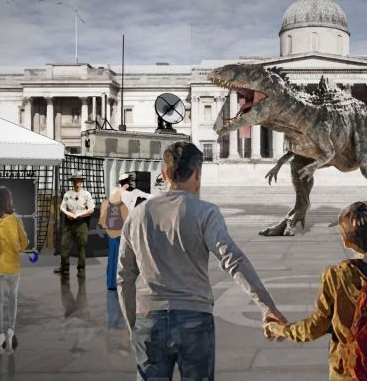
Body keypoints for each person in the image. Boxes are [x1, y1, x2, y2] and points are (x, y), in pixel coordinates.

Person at [117, 141, 284, 381]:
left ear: (164, 174)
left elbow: (124, 276)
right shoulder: (206, 212)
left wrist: (134, 325)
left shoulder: (138, 215)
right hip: (194, 317)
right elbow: (233, 261)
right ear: (198, 173)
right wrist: (268, 307)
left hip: (149, 317)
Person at [265, 201, 367, 381]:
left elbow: (314, 328)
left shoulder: (336, 276)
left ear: (346, 241)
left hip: (349, 373)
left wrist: (279, 329)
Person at [0, 185, 29, 354]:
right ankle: (11, 330)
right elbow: (25, 241)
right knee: (13, 298)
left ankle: (0, 334)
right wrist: (17, 249)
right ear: (9, 200)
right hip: (12, 265)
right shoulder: (16, 219)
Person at [57, 172, 95, 277]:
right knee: (64, 245)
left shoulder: (86, 194)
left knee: (82, 246)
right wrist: (68, 214)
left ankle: (81, 268)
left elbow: (91, 209)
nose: (77, 182)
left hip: (81, 223)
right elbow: (62, 207)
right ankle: (64, 267)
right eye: (75, 180)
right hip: (69, 223)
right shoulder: (68, 194)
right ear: (72, 181)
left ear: (82, 181)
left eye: (79, 180)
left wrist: (80, 214)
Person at [99, 180, 129, 290]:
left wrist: (106, 228)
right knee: (118, 259)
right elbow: (127, 220)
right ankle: (114, 282)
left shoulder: (105, 203)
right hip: (119, 235)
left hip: (110, 234)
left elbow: (102, 220)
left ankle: (110, 282)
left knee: (111, 257)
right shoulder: (123, 206)